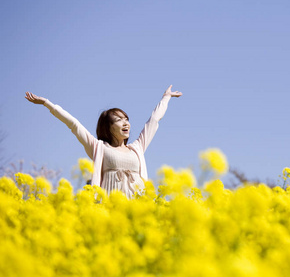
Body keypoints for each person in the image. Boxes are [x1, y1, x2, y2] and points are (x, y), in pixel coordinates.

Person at [25, 85, 182, 198]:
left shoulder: (137, 148)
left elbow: (153, 121)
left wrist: (166, 98)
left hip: (138, 204)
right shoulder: (98, 147)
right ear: (108, 127)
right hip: (110, 205)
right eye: (119, 120)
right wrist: (48, 104)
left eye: (127, 119)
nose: (126, 123)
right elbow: (73, 124)